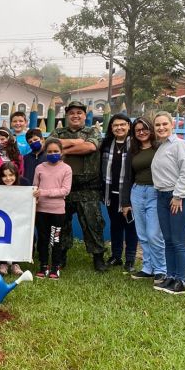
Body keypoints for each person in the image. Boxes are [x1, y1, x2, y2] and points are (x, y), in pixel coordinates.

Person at [49, 101, 107, 272]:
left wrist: (64, 149)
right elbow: (51, 145)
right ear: (67, 116)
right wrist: (78, 142)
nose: (75, 116)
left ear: (84, 115)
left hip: (88, 188)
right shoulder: (57, 131)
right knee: (61, 225)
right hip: (63, 189)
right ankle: (60, 257)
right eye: (72, 113)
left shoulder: (92, 131)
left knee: (93, 224)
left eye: (79, 113)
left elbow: (90, 146)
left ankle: (98, 258)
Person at [151, 111, 185, 295]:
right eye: (157, 125)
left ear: (172, 125)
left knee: (178, 241)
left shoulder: (180, 145)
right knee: (168, 241)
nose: (161, 128)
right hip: (162, 196)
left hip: (179, 197)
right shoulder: (161, 147)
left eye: (164, 124)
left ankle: (181, 281)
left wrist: (178, 196)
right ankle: (170, 277)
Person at [121, 117, 166, 283]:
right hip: (137, 192)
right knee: (142, 234)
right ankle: (148, 268)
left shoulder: (160, 148)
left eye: (144, 128)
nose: (141, 132)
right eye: (137, 130)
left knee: (154, 234)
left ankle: (161, 269)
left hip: (156, 192)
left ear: (151, 129)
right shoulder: (133, 151)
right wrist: (125, 203)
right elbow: (127, 178)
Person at [100, 113, 138, 272]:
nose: (119, 128)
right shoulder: (107, 143)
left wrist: (128, 200)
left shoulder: (135, 145)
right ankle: (116, 256)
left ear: (129, 126)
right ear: (111, 128)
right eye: (115, 125)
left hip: (130, 194)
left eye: (123, 124)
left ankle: (129, 259)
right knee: (115, 225)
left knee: (130, 226)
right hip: (111, 192)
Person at [33, 138, 72, 280]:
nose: (53, 153)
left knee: (55, 239)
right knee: (42, 239)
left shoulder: (66, 169)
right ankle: (43, 266)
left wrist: (44, 192)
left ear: (61, 152)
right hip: (41, 210)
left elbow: (65, 190)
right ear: (45, 152)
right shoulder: (40, 168)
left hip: (57, 211)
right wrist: (37, 194)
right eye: (49, 151)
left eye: (56, 151)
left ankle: (55, 267)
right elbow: (35, 187)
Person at [0, 162, 28, 276]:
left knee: (19, 237)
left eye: (11, 175)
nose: (8, 178)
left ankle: (15, 264)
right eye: (4, 175)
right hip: (2, 219)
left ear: (16, 175)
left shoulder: (24, 183)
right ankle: (3, 263)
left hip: (19, 219)